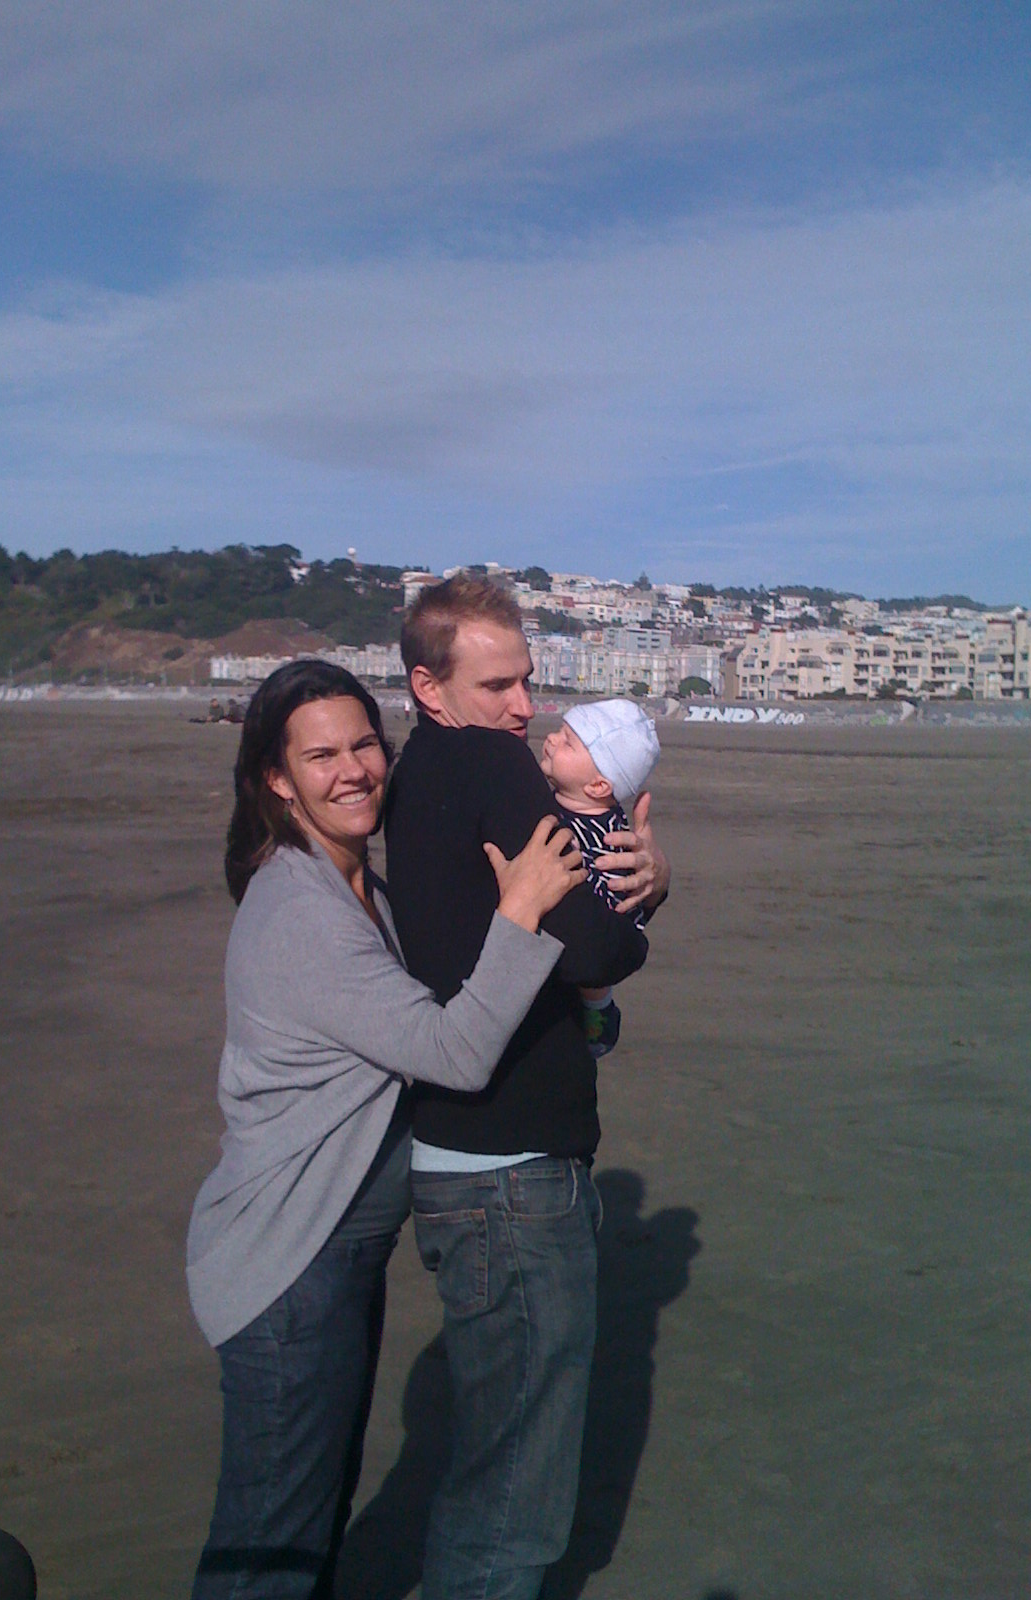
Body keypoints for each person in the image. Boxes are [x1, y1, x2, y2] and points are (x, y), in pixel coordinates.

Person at [186, 658, 587, 1600]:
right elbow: (451, 1051)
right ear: (277, 780)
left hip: (329, 1259)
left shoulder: (362, 889)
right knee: (270, 1544)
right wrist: (523, 909)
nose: (353, 769)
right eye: (320, 755)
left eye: (365, 743)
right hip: (288, 1264)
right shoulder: (301, 912)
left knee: (308, 1517)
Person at [383, 576, 671, 1600]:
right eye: (497, 683)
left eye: (527, 682)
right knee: (516, 1490)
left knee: (491, 1448)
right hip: (509, 1167)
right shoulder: (492, 768)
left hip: (456, 1152)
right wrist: (643, 899)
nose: (522, 707)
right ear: (429, 684)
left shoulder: (420, 773)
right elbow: (598, 944)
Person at [539, 698, 661, 1058]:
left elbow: (610, 909)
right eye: (559, 731)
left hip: (600, 940)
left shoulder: (604, 838)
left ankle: (599, 1015)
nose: (550, 739)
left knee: (593, 989)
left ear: (597, 786)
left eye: (567, 742)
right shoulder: (564, 802)